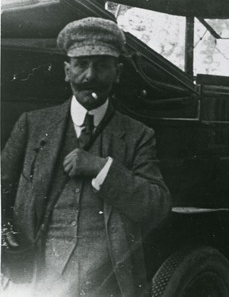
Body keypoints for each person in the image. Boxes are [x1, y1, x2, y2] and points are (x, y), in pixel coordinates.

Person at [1, 17, 171, 296]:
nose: (90, 76)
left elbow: (157, 206)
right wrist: (3, 228)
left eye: (101, 65)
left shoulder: (138, 135)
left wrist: (103, 169)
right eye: (81, 65)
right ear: (67, 71)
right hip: (35, 276)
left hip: (107, 283)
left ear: (117, 73)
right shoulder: (32, 125)